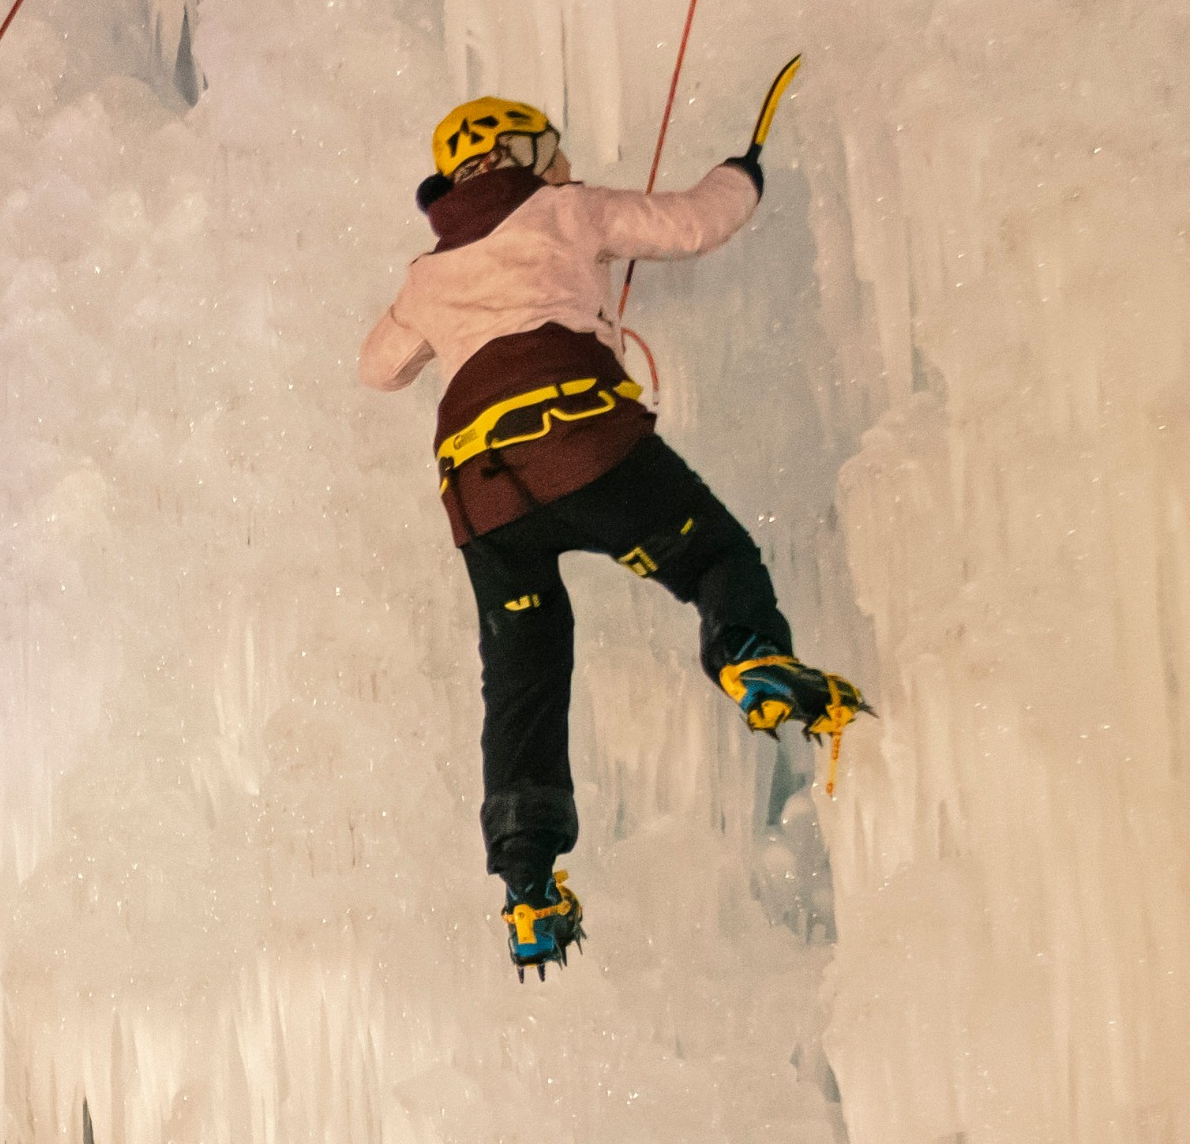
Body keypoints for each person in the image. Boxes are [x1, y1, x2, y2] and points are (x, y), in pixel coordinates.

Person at [356, 79, 866, 971]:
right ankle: (749, 655)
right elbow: (693, 224)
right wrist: (740, 173)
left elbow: (379, 367)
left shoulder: (426, 275)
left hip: (481, 494)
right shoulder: (564, 210)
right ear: (518, 155)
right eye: (550, 150)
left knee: (524, 675)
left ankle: (528, 884)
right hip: (576, 437)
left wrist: (445, 314)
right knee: (712, 553)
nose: (563, 163)